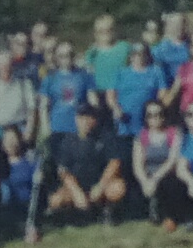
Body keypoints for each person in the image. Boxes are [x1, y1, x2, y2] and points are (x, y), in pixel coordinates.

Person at [46, 96, 132, 227]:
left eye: (89, 118)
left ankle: (107, 212)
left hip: (99, 185)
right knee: (56, 200)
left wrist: (100, 186)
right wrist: (76, 191)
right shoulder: (68, 141)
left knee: (118, 188)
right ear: (76, 119)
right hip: (78, 186)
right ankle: (74, 216)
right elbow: (63, 170)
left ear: (95, 120)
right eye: (81, 118)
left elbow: (115, 162)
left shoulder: (105, 136)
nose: (85, 121)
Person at [131, 97, 191, 231]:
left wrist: (154, 179)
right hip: (148, 176)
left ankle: (171, 217)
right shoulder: (141, 136)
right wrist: (145, 181)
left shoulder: (174, 133)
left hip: (168, 175)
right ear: (146, 117)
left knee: (171, 184)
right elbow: (137, 164)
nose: (155, 118)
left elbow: (172, 160)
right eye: (151, 115)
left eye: (159, 114)